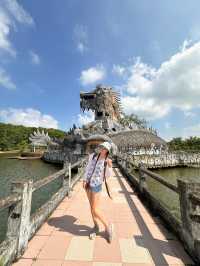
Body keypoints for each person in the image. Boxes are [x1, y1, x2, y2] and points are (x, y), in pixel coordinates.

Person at [82, 141, 114, 243]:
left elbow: (108, 176)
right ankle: (96, 227)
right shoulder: (93, 155)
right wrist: (84, 179)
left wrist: (109, 166)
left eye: (105, 148)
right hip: (88, 184)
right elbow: (87, 168)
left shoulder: (106, 161)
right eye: (101, 147)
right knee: (91, 208)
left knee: (95, 209)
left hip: (96, 186)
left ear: (108, 151)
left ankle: (108, 227)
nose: (102, 149)